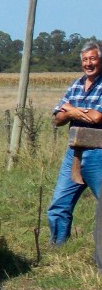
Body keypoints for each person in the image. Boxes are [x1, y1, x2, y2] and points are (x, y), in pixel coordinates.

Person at [47, 40, 102, 268]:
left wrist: (70, 110)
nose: (88, 64)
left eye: (93, 59)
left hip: (98, 154)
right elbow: (57, 119)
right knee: (59, 204)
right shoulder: (77, 84)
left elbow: (97, 117)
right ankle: (58, 250)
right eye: (85, 60)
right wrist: (71, 113)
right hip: (75, 153)